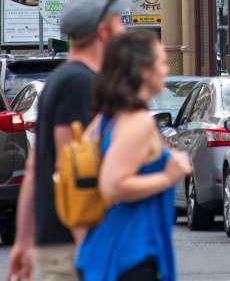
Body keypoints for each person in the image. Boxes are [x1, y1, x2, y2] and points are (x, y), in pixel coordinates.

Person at [7, 0, 128, 281]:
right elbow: (72, 168)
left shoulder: (61, 80)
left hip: (62, 238)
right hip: (78, 242)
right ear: (103, 31)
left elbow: (36, 168)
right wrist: (90, 248)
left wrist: (23, 241)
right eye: (119, 21)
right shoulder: (80, 83)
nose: (124, 29)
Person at [76, 30, 191, 281]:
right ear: (143, 70)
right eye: (161, 62)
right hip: (131, 255)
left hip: (105, 249)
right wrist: (168, 175)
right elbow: (112, 185)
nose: (165, 70)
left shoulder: (107, 118)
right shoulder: (137, 122)